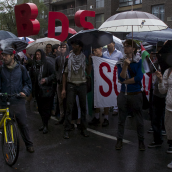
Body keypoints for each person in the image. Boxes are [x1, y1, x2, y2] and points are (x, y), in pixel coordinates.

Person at [0, 47, 34, 153]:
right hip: (4, 101)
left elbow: (28, 83)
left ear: (12, 55)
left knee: (23, 124)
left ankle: (29, 144)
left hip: (18, 100)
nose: (3, 57)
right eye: (2, 55)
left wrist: (25, 91)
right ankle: (8, 143)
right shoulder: (1, 69)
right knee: (4, 124)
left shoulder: (21, 68)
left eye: (5, 55)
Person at [115, 39, 145, 151]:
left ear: (133, 49)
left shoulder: (139, 61)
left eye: (128, 46)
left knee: (139, 120)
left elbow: (138, 78)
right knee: (121, 119)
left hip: (136, 94)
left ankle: (141, 141)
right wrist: (125, 67)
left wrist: (124, 82)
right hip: (123, 94)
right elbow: (121, 77)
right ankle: (119, 140)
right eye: (124, 46)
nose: (125, 48)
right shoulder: (121, 62)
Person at [61, 40, 91, 139]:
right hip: (71, 85)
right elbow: (65, 74)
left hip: (82, 84)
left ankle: (83, 128)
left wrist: (90, 61)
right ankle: (67, 129)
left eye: (75, 45)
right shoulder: (69, 58)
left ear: (80, 47)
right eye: (73, 45)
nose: (73, 46)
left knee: (83, 108)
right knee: (69, 108)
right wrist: (63, 89)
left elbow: (88, 71)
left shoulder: (84, 58)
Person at [30, 49, 55, 134]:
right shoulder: (34, 66)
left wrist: (46, 79)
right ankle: (43, 123)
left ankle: (46, 125)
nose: (37, 56)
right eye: (36, 55)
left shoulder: (47, 64)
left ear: (42, 55)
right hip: (37, 91)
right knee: (40, 109)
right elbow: (31, 77)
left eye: (39, 55)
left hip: (46, 90)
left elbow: (54, 75)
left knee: (46, 109)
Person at [148, 41, 166, 148]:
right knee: (156, 116)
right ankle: (157, 138)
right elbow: (150, 70)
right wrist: (152, 59)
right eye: (158, 49)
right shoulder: (158, 61)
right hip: (157, 92)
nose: (158, 51)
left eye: (160, 48)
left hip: (167, 94)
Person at [88, 47, 110, 127]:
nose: (94, 52)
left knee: (105, 100)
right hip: (96, 82)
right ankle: (96, 117)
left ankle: (106, 118)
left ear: (100, 49)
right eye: (93, 50)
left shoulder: (106, 59)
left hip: (105, 82)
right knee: (97, 100)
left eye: (95, 50)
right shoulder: (93, 59)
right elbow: (89, 71)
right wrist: (90, 61)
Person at [103, 41, 123, 120]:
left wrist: (120, 76)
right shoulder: (104, 53)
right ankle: (107, 107)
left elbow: (121, 64)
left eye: (110, 43)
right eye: (107, 43)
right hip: (107, 76)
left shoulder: (119, 53)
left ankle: (115, 108)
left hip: (116, 75)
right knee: (107, 91)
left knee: (116, 91)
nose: (108, 45)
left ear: (114, 44)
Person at [55, 42, 69, 124]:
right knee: (60, 100)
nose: (62, 48)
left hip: (67, 82)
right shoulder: (57, 59)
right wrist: (58, 78)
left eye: (64, 47)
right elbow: (56, 70)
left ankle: (68, 117)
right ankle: (62, 116)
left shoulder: (68, 58)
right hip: (59, 82)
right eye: (61, 47)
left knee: (67, 101)